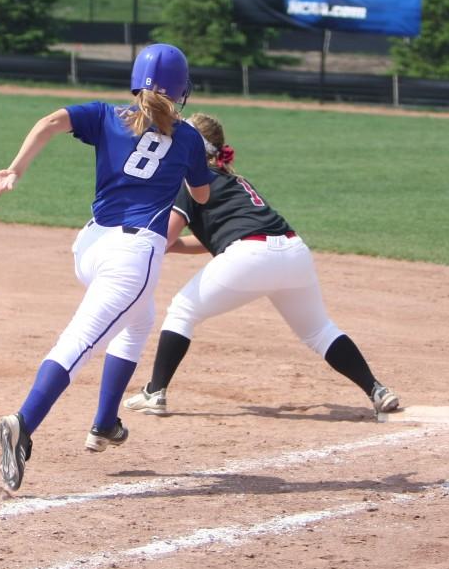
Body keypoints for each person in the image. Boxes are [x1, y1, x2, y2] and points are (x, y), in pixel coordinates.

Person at [0, 43, 214, 492]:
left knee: (140, 319)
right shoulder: (187, 138)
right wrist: (202, 163)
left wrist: (14, 170)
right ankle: (22, 424)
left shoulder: (107, 115)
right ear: (183, 91)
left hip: (90, 245)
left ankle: (105, 423)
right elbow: (201, 197)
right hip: (133, 253)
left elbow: (50, 121)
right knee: (82, 340)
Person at [122, 112, 401, 419]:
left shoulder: (191, 181)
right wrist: (172, 246)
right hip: (292, 252)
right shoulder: (236, 179)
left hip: (250, 256)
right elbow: (213, 239)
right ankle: (377, 390)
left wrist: (138, 237)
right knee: (320, 331)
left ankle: (155, 392)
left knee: (181, 311)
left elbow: (167, 234)